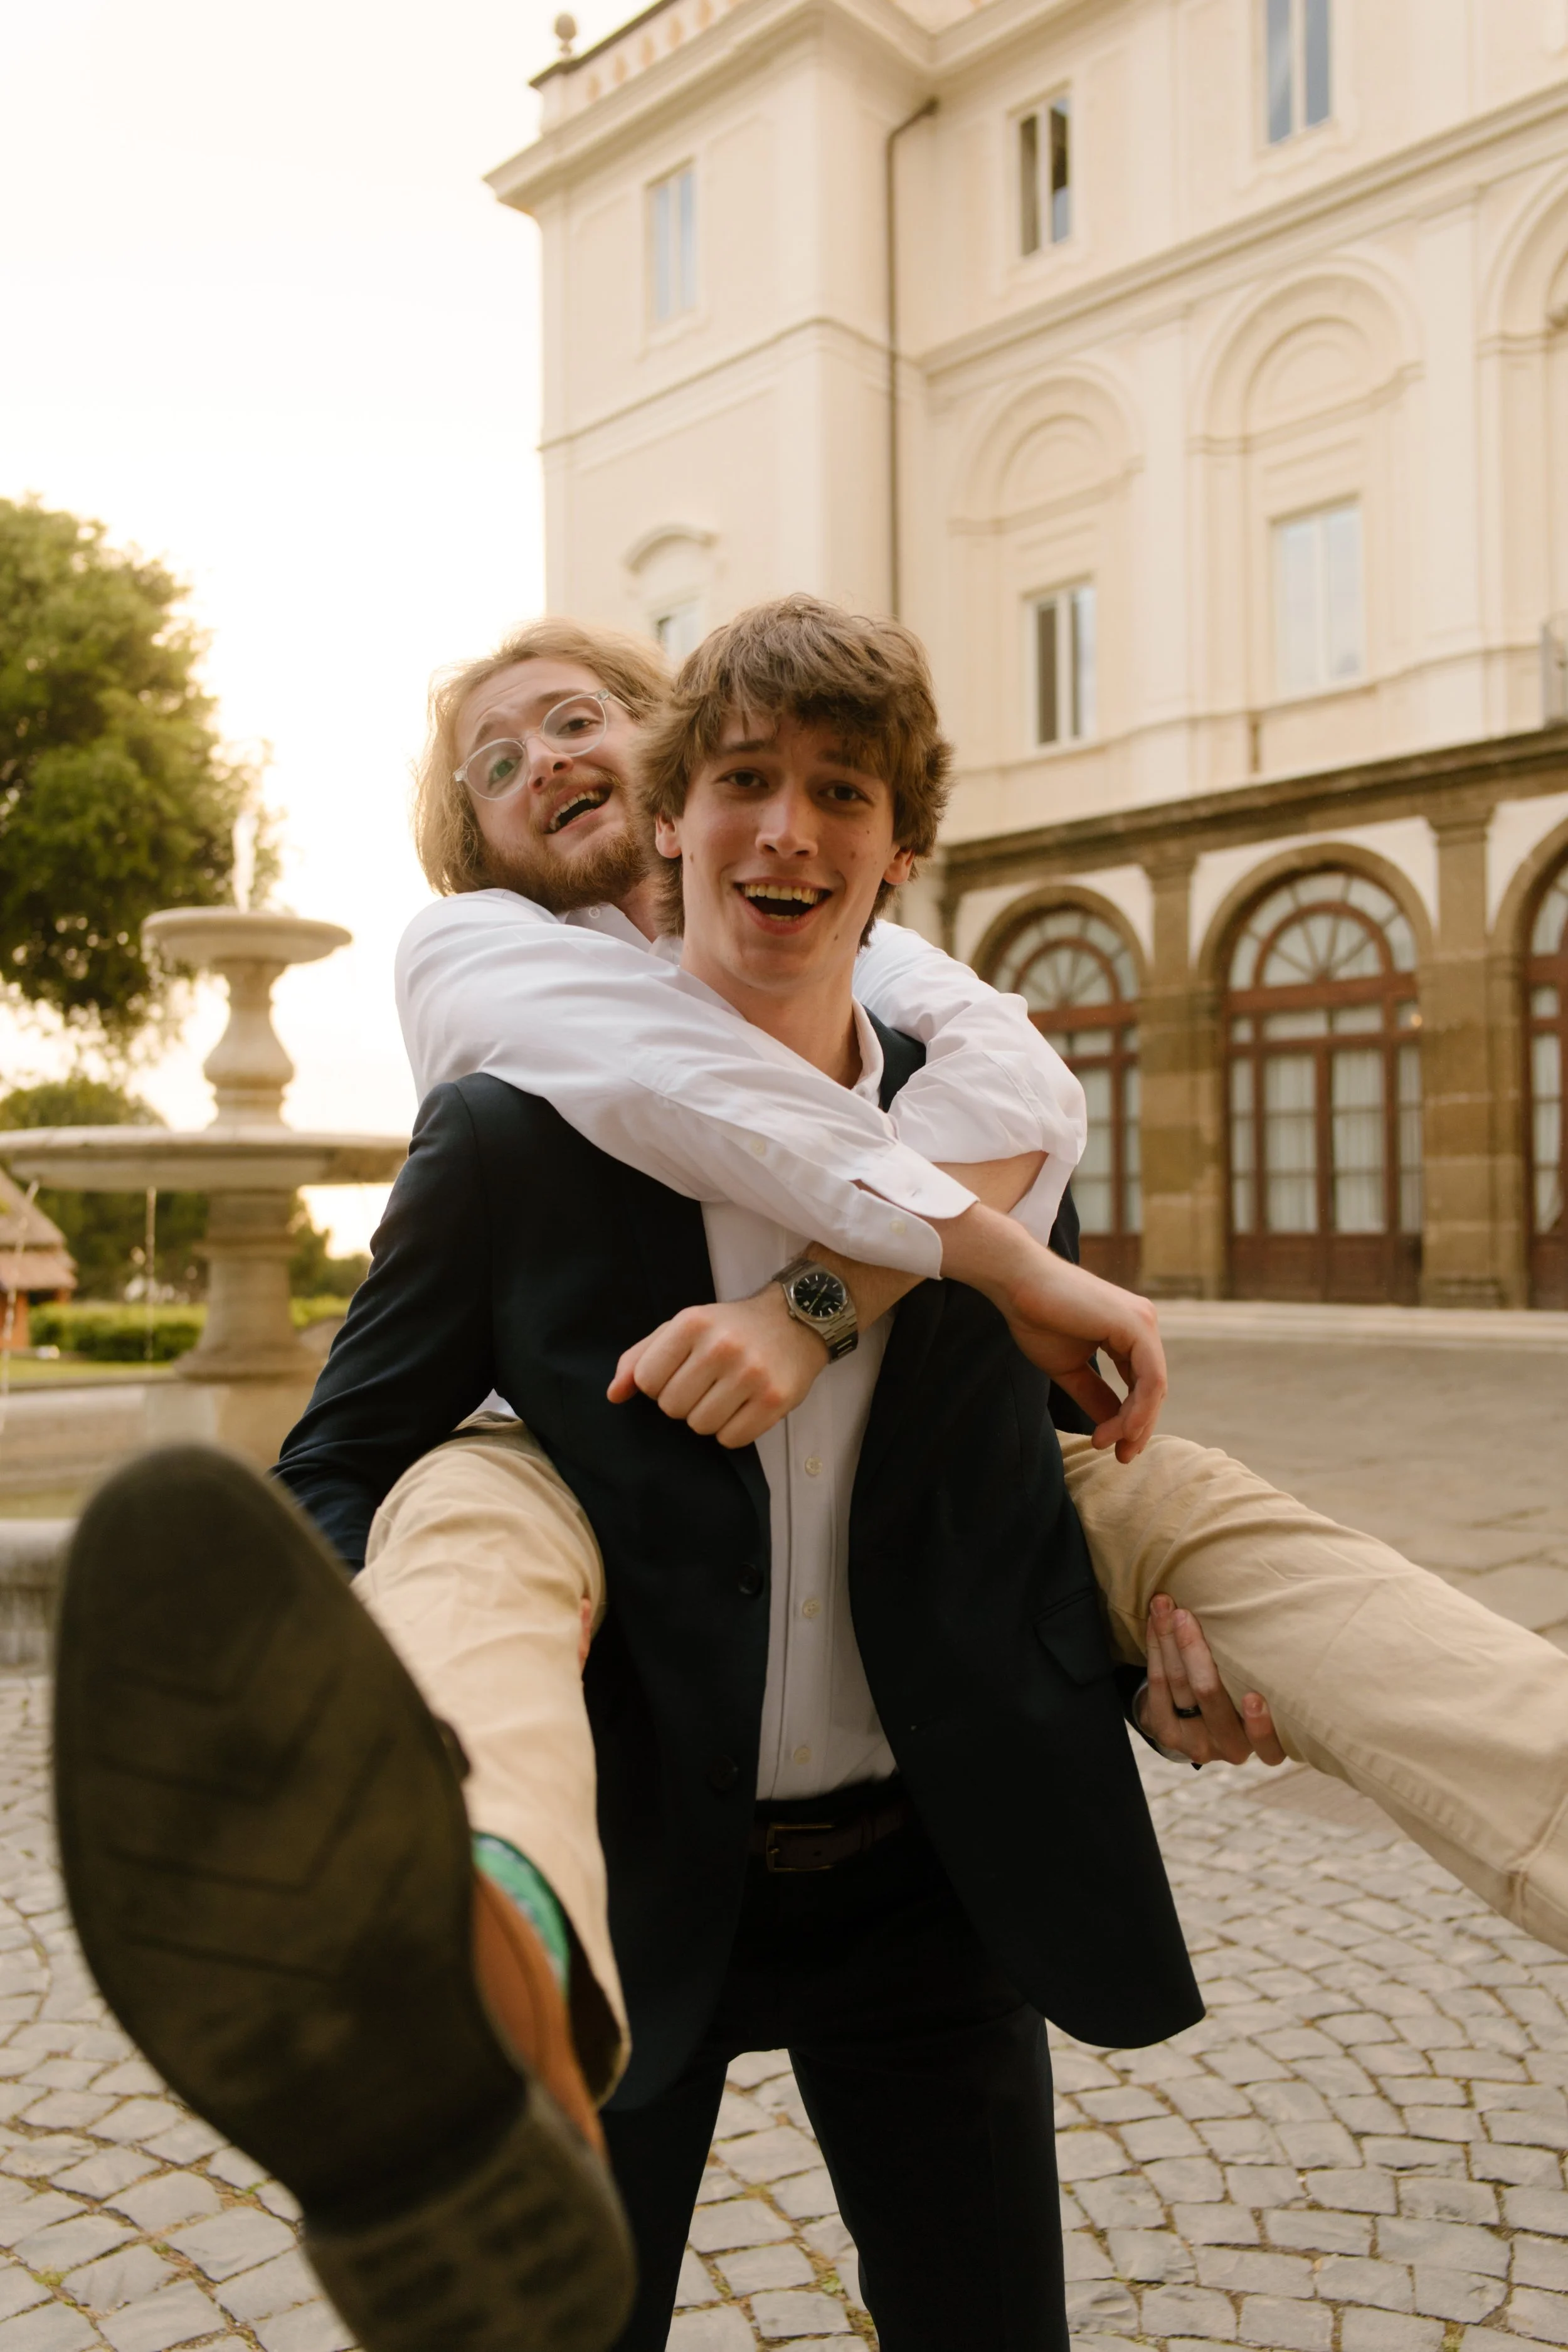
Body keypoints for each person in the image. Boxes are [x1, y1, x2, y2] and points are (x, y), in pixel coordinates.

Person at [56, 598, 1214, 2352]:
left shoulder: (962, 1109)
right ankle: (452, 1991)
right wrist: (373, 1718)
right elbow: (341, 1461)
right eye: (500, 764)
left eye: (832, 791)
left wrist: (1152, 1636)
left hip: (932, 1874)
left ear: (895, 846)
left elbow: (1019, 1448)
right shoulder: (513, 1115)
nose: (783, 823)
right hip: (620, 1859)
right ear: (677, 821)